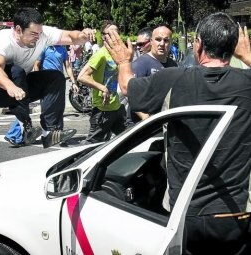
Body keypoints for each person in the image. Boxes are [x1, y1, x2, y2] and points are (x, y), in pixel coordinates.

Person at [105, 12, 251, 254]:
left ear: (199, 44)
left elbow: (127, 88)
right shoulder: (246, 82)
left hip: (185, 212)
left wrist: (123, 61)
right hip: (236, 212)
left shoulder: (172, 78)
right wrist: (246, 55)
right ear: (232, 47)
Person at [0, 8, 95, 148]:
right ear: (18, 30)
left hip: (21, 87)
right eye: (33, 34)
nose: (37, 37)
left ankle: (51, 132)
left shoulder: (43, 34)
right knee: (16, 70)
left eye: (39, 33)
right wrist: (10, 86)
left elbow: (70, 36)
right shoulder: (3, 39)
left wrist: (83, 35)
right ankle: (26, 128)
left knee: (55, 77)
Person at [5, 44, 78, 148]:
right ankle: (13, 134)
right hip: (46, 85)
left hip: (57, 84)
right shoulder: (45, 48)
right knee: (47, 110)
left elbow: (68, 66)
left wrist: (74, 82)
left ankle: (58, 136)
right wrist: (38, 83)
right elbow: (37, 65)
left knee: (58, 108)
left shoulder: (62, 49)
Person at [77, 20, 127, 144]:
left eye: (115, 33)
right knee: (91, 146)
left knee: (128, 141)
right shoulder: (100, 55)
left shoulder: (118, 53)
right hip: (102, 110)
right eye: (109, 34)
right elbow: (82, 76)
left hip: (116, 107)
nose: (112, 37)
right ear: (103, 36)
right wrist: (102, 88)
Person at [131, 23, 178, 123]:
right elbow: (130, 94)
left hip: (165, 121)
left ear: (171, 43)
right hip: (143, 125)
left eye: (166, 40)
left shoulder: (173, 65)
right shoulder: (140, 64)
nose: (162, 44)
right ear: (151, 42)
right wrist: (145, 117)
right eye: (158, 39)